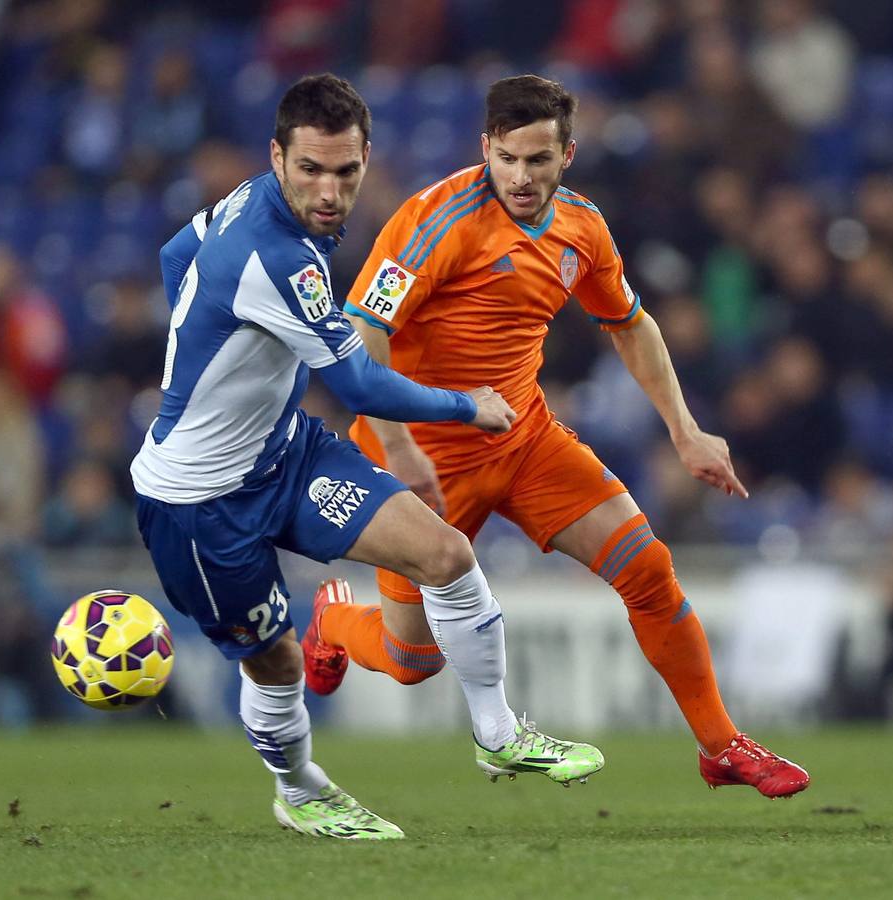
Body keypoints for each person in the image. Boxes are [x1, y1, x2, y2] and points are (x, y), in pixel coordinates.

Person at [304, 75, 809, 798]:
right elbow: (362, 335)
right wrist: (404, 448)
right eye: (507, 158)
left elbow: (630, 324)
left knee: (648, 569)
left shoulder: (582, 228)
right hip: (419, 458)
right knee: (413, 661)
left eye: (538, 160)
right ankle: (333, 623)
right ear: (486, 148)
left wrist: (686, 430)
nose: (520, 176)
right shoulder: (434, 222)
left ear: (566, 154)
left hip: (522, 439)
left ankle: (721, 746)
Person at [131, 74, 603, 842]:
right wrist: (466, 404)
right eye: (311, 170)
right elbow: (353, 381)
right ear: (277, 155)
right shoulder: (276, 253)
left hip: (284, 452)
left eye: (346, 172)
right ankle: (301, 789)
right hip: (196, 502)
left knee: (445, 554)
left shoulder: (252, 198)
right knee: (277, 662)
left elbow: (173, 253)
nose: (329, 191)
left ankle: (498, 734)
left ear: (365, 159)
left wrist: (207, 334)